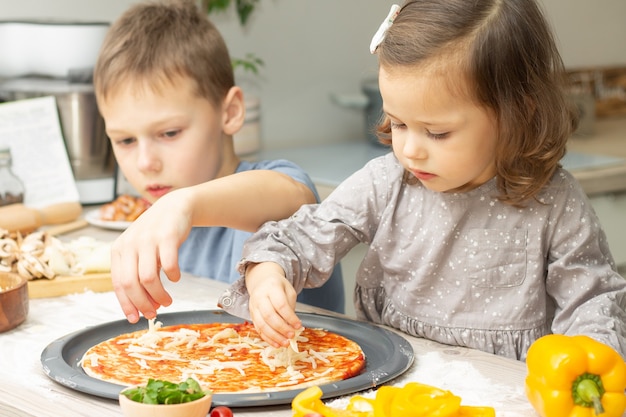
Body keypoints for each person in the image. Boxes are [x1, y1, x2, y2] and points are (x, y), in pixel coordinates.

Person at [219, 0, 626, 360]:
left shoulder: (554, 201)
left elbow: (594, 305)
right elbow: (295, 241)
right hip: (393, 392)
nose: (410, 150)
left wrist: (591, 368)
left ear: (515, 113)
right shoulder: (385, 184)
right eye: (398, 123)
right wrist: (267, 275)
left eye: (437, 132)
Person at [93, 0, 344, 324]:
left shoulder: (273, 185)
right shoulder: (157, 220)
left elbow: (293, 198)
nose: (145, 163)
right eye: (125, 140)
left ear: (230, 112)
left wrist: (185, 205)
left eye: (169, 133)